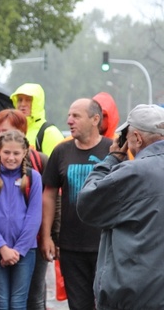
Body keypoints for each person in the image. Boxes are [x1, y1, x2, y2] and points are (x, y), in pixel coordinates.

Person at [77, 104, 164, 310]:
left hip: (133, 295)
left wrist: (111, 159)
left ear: (137, 137)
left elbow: (88, 204)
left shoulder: (133, 172)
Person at [40, 98, 111, 310]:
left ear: (95, 119)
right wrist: (46, 236)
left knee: (107, 304)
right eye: (69, 115)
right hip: (71, 247)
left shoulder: (114, 150)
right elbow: (49, 195)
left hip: (107, 245)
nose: (69, 120)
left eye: (76, 116)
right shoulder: (61, 151)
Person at [0, 109, 49, 310]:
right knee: (1, 303)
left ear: (24, 153)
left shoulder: (34, 178)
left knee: (20, 302)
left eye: (16, 153)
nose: (11, 157)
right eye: (6, 153)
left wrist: (18, 251)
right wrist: (2, 249)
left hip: (26, 251)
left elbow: (34, 217)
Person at [10, 83, 64, 156]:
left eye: (28, 100)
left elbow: (58, 164)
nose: (22, 104)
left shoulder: (50, 133)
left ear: (37, 103)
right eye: (20, 100)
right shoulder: (12, 130)